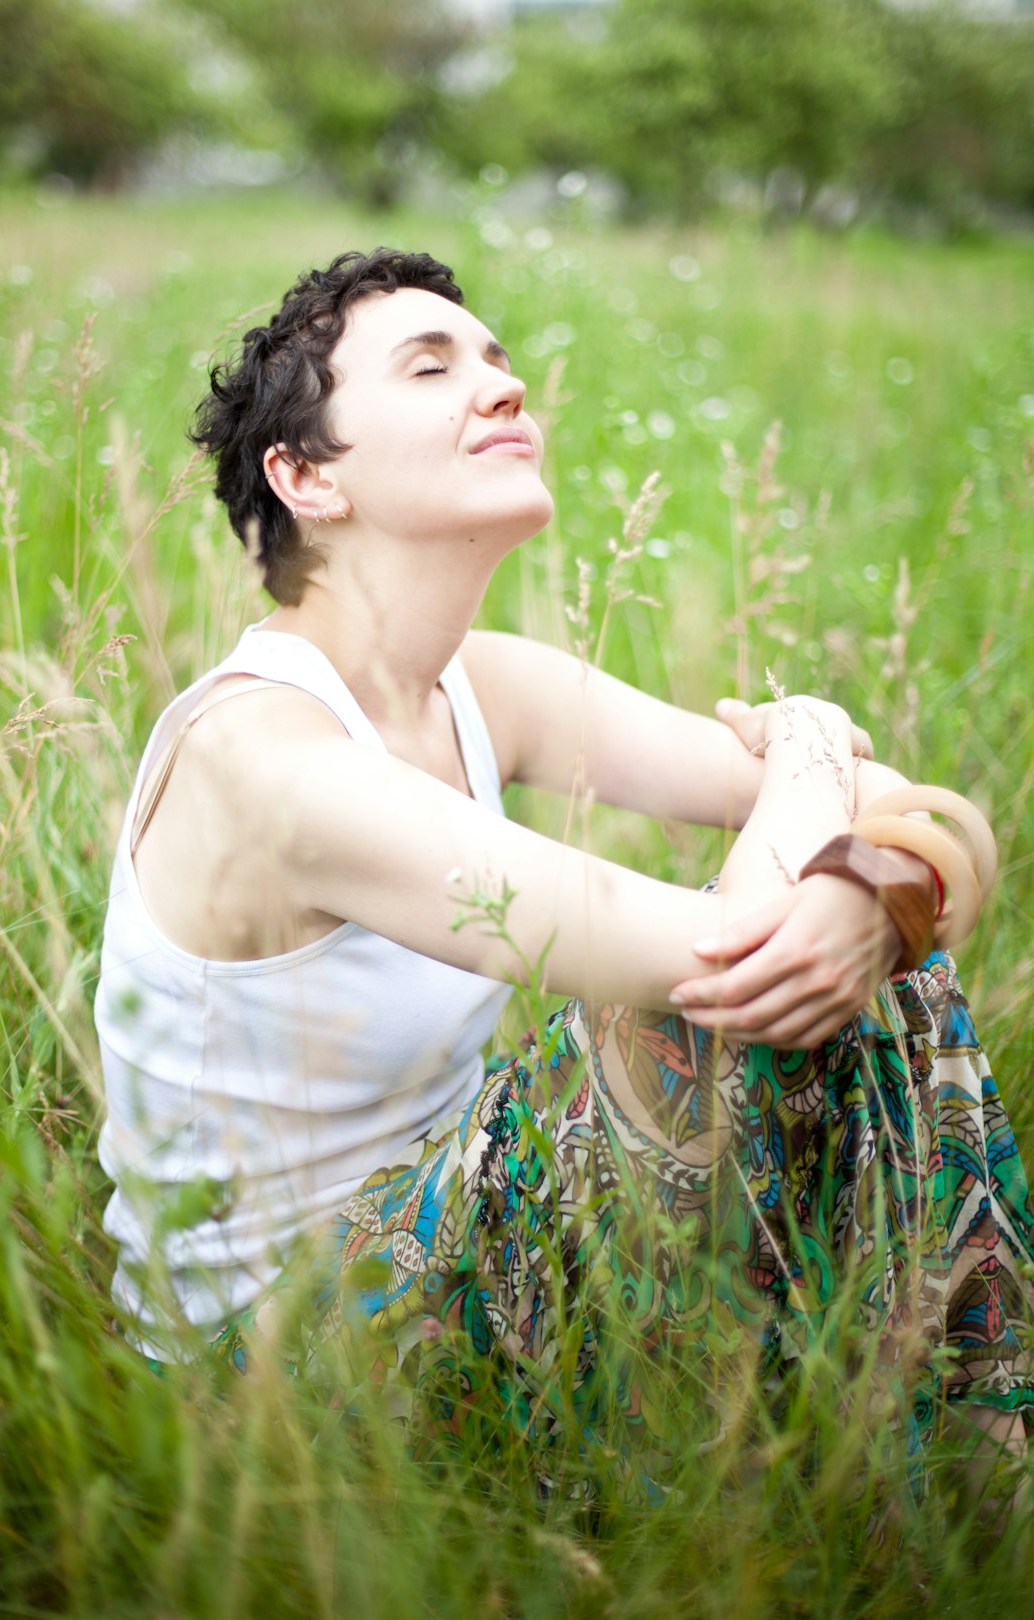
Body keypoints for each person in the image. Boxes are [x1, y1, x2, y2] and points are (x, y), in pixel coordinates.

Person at [94, 248, 1032, 1490]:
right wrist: (813, 743)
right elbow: (730, 960)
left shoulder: (482, 685)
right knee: (729, 997)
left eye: (496, 358)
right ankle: (932, 1462)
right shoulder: (261, 755)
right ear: (307, 476)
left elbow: (920, 812)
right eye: (431, 367)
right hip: (269, 1373)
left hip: (447, 1244)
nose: (505, 385)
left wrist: (881, 892)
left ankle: (980, 1463)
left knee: (871, 946)